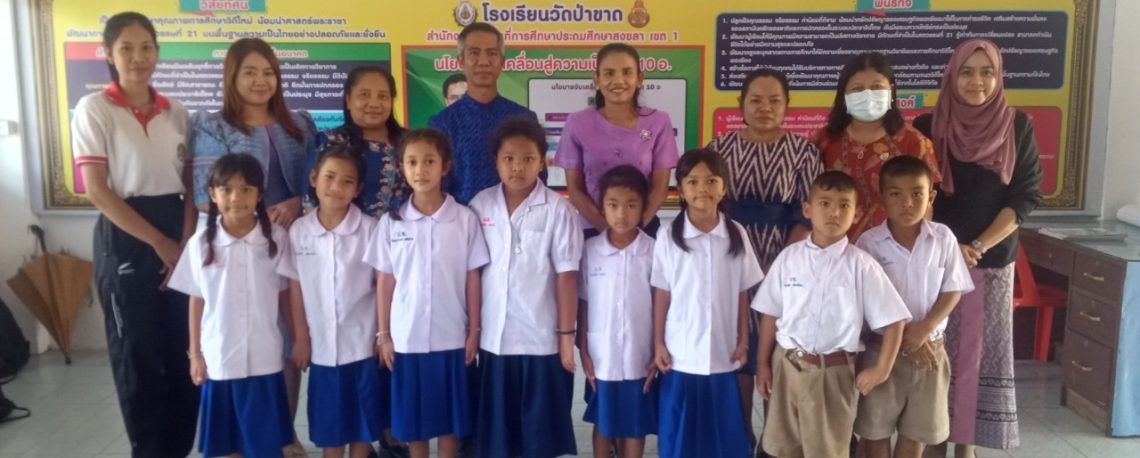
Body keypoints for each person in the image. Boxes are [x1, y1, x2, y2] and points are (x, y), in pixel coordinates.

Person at [71, 11, 199, 457]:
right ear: (108, 54)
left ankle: (178, 448)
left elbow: (191, 187)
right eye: (126, 48)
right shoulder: (95, 109)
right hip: (125, 236)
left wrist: (183, 246)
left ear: (157, 53)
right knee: (137, 355)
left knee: (183, 351)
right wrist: (160, 244)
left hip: (177, 227)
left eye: (146, 48)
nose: (138, 57)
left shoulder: (177, 112)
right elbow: (98, 191)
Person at [913, 39, 1043, 458]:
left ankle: (965, 445)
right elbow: (919, 193)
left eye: (987, 72)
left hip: (989, 261)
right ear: (951, 76)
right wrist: (950, 247)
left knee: (975, 356)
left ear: (999, 77)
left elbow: (1024, 197)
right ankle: (933, 439)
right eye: (967, 72)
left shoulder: (1017, 126)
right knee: (935, 350)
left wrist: (978, 244)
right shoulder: (928, 125)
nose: (977, 82)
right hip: (935, 261)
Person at [189, 37, 319, 456]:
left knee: (288, 337)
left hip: (293, 241)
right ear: (232, 76)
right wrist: (254, 216)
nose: (260, 81)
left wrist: (297, 203)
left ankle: (284, 434)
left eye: (268, 72)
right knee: (245, 333)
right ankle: (240, 438)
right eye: (250, 72)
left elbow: (317, 181)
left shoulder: (300, 124)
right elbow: (203, 196)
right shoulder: (211, 126)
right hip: (240, 242)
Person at [752, 171, 912, 458]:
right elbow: (770, 314)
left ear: (855, 213)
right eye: (824, 203)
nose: (834, 213)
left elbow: (894, 320)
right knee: (782, 447)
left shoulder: (861, 265)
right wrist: (762, 364)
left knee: (827, 449)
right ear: (807, 210)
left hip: (833, 373)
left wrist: (882, 369)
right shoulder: (789, 258)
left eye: (844, 205)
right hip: (786, 365)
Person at [706, 68, 824, 450]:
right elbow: (707, 207)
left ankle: (775, 441)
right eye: (755, 100)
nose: (765, 107)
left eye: (774, 100)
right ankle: (741, 434)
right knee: (738, 346)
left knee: (777, 349)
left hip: (786, 262)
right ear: (741, 104)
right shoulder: (717, 150)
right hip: (729, 259)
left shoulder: (804, 152)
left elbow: (808, 214)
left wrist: (780, 265)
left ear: (787, 105)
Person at [366, 129, 490, 458]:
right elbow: (385, 281)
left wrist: (474, 330)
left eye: (429, 161)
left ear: (445, 166)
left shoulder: (464, 219)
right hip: (406, 340)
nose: (420, 169)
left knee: (449, 423)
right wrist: (384, 335)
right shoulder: (392, 222)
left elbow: (472, 277)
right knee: (414, 426)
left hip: (452, 338)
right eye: (412, 162)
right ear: (402, 168)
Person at [468, 118, 582, 458]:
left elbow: (567, 276)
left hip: (540, 340)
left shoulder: (559, 210)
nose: (517, 167)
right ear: (496, 161)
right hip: (494, 339)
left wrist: (566, 337)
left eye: (528, 158)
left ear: (542, 162)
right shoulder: (480, 205)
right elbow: (472, 273)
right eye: (508, 158)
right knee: (498, 437)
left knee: (539, 437)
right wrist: (472, 329)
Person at [169, 153, 294, 458]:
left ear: (259, 194)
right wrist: (195, 354)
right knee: (226, 445)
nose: (236, 198)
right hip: (220, 357)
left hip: (264, 357)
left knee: (265, 444)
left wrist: (298, 338)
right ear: (212, 194)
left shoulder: (276, 239)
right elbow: (196, 298)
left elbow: (286, 294)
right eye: (226, 190)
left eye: (246, 189)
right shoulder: (200, 243)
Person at [853, 156, 974, 458]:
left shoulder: (943, 238)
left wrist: (925, 328)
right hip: (881, 351)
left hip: (930, 351)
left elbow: (954, 288)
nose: (907, 203)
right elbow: (865, 300)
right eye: (896, 194)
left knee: (916, 434)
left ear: (931, 196)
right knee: (875, 430)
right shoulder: (869, 243)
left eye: (917, 193)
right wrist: (908, 335)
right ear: (882, 198)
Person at [650, 149, 764, 458]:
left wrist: (743, 340)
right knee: (680, 434)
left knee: (722, 434)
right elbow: (662, 293)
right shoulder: (668, 237)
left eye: (712, 181)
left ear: (724, 188)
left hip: (722, 350)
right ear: (681, 190)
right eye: (693, 181)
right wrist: (658, 343)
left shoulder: (736, 234)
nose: (703, 189)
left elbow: (742, 293)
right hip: (680, 353)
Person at [280, 144, 385, 458]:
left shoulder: (370, 229)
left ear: (358, 189)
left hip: (362, 344)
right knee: (331, 426)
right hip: (322, 349)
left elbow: (382, 287)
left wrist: (382, 335)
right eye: (329, 177)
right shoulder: (299, 231)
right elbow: (295, 288)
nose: (336, 187)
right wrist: (300, 338)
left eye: (347, 181)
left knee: (363, 423)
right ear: (314, 179)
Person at [554, 43, 678, 238]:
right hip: (592, 231)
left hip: (643, 230)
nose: (618, 80)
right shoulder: (577, 123)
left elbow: (660, 188)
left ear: (639, 78)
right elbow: (575, 190)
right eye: (609, 73)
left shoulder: (659, 122)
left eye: (627, 72)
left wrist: (634, 231)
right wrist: (609, 232)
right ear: (596, 80)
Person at [813, 52, 940, 241]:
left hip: (894, 249)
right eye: (857, 89)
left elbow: (925, 205)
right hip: (834, 249)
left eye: (876, 87)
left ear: (891, 91)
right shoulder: (824, 140)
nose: (868, 95)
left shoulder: (914, 142)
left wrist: (916, 247)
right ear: (844, 95)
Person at [578, 165, 658, 458]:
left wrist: (658, 349)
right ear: (602, 207)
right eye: (613, 205)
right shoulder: (590, 250)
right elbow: (583, 303)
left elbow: (662, 305)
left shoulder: (655, 250)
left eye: (631, 205)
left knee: (635, 426)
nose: (621, 214)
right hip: (603, 356)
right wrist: (584, 350)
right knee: (604, 422)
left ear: (644, 208)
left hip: (640, 354)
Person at [429, 22, 540, 205]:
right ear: (461, 61)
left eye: (492, 53)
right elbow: (437, 188)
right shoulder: (442, 123)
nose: (483, 61)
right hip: (460, 219)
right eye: (474, 53)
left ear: (502, 61)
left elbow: (538, 181)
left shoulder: (524, 119)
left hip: (518, 219)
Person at [320, 66, 410, 218]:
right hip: (344, 232)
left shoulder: (410, 144)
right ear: (348, 100)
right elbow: (311, 200)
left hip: (405, 231)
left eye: (383, 96)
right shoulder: (330, 142)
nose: (374, 104)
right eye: (364, 95)